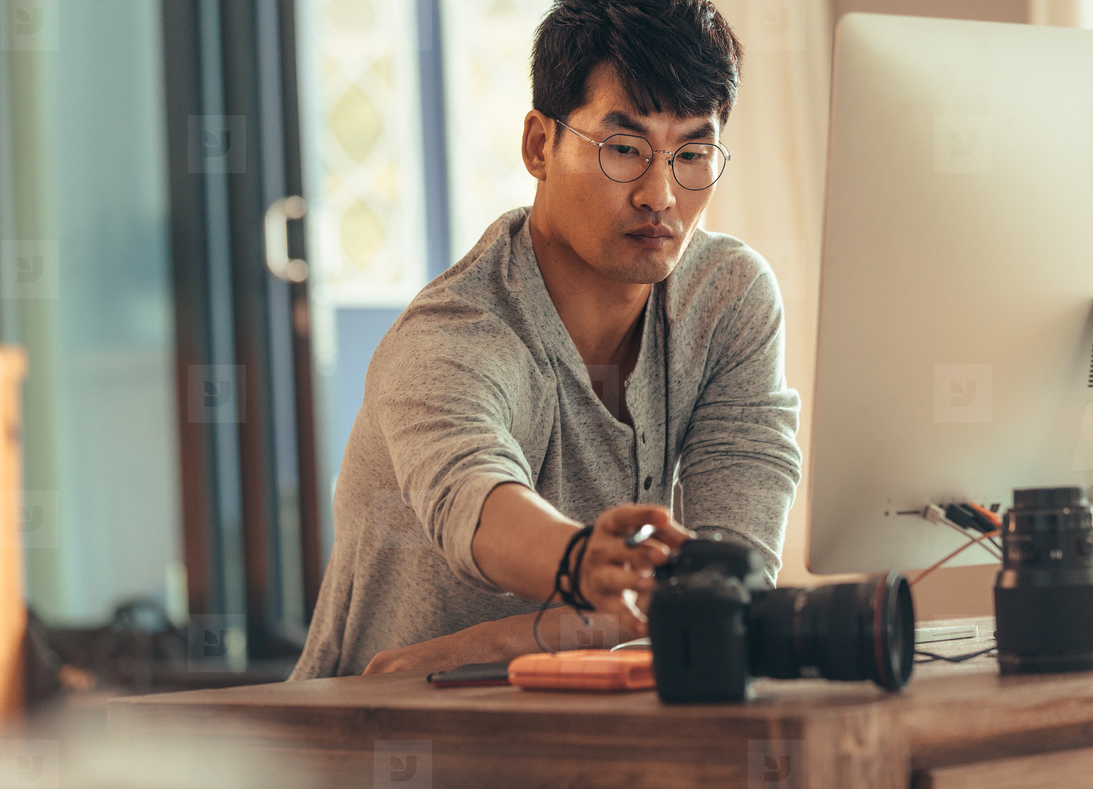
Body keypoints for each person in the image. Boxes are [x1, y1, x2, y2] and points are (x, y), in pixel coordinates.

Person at [289, 0, 802, 680]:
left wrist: (498, 644)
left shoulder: (726, 299)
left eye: (693, 152)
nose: (661, 194)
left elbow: (731, 588)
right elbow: (475, 501)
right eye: (624, 148)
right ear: (539, 145)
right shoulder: (452, 337)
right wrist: (581, 562)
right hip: (377, 747)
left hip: (585, 731)